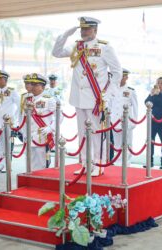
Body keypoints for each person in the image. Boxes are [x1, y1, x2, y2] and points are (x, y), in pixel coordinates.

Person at [52, 16, 122, 176]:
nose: (83, 32)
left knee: (96, 133)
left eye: (86, 29)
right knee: (83, 133)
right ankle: (85, 163)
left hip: (96, 99)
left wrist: (107, 95)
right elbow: (56, 53)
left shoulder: (105, 47)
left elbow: (117, 72)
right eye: (82, 29)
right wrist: (65, 35)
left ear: (95, 30)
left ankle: (98, 164)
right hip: (78, 98)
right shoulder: (77, 46)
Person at [20, 73, 56, 169]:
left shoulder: (49, 100)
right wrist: (23, 133)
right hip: (29, 136)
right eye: (32, 84)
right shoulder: (27, 99)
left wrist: (50, 128)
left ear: (43, 87)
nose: (33, 87)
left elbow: (59, 116)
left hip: (42, 137)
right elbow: (24, 119)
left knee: (41, 164)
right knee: (29, 163)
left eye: (36, 85)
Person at [0, 70, 20, 173]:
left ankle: (8, 165)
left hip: (7, 123)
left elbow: (19, 105)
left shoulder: (12, 91)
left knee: (7, 144)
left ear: (5, 80)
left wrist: (14, 119)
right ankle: (1, 163)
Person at [110, 68, 138, 165]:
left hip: (127, 122)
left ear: (126, 77)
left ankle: (127, 162)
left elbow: (135, 107)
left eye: (122, 76)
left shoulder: (130, 91)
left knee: (127, 143)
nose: (119, 78)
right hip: (115, 121)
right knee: (117, 143)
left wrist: (134, 121)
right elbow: (110, 105)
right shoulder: (112, 89)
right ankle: (117, 162)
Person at [144, 77, 162, 169]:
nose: (160, 85)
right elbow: (146, 102)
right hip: (152, 122)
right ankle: (150, 161)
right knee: (150, 141)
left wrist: (159, 93)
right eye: (158, 83)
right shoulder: (153, 94)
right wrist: (151, 94)